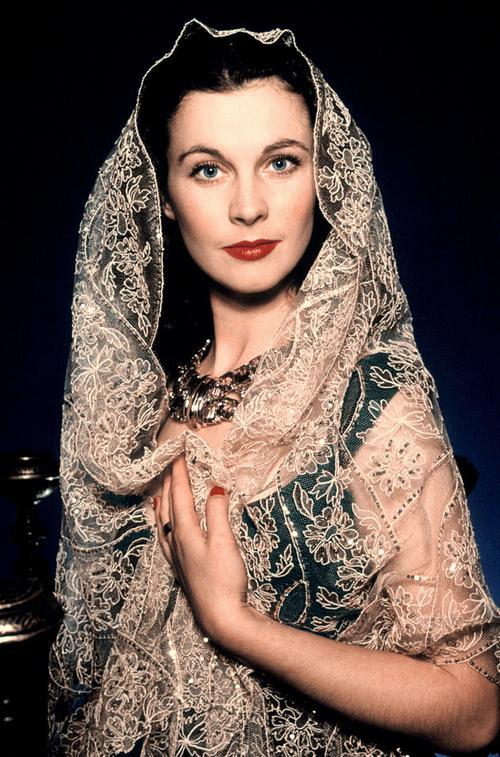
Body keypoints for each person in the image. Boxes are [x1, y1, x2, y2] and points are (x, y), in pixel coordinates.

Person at [47, 18, 500, 756]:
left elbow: (474, 707)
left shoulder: (373, 403)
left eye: (281, 162)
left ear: (323, 175)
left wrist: (238, 625)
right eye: (208, 170)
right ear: (164, 194)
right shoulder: (144, 399)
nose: (248, 207)